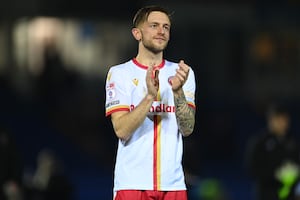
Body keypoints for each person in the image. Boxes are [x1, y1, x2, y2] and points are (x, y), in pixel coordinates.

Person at [104, 5, 196, 200]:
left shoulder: (183, 73)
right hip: (132, 185)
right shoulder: (120, 74)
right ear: (137, 33)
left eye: (166, 27)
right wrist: (149, 98)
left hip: (173, 186)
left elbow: (187, 129)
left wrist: (178, 91)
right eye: (154, 25)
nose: (161, 31)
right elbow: (121, 130)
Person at [245, 103, 300, 200]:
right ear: (270, 120)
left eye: (284, 119)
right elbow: (252, 169)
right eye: (278, 119)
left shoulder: (293, 142)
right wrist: (277, 174)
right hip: (268, 195)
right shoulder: (259, 143)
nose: (282, 123)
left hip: (289, 195)